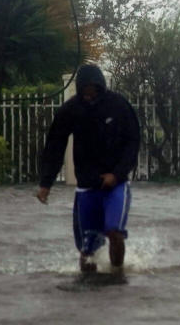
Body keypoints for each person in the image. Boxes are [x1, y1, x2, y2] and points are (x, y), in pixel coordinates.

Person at [36, 65, 140, 275]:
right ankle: (87, 287)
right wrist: (46, 184)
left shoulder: (119, 105)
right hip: (86, 187)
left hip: (116, 185)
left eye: (94, 89)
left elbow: (133, 142)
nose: (89, 94)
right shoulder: (70, 110)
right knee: (87, 249)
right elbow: (55, 146)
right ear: (80, 89)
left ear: (101, 87)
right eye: (85, 90)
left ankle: (117, 275)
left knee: (114, 231)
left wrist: (117, 174)